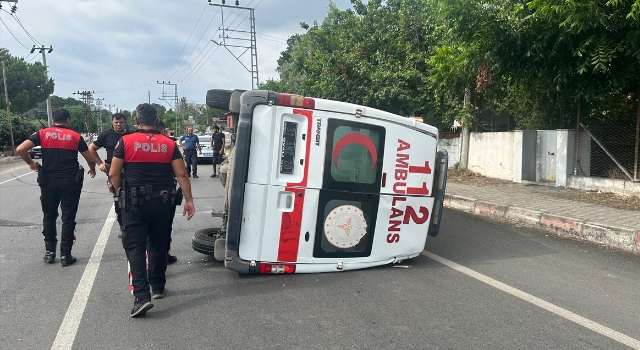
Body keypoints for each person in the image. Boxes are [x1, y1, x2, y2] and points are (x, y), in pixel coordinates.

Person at [109, 103, 195, 317]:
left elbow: (113, 173)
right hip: (162, 203)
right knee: (158, 244)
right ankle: (157, 287)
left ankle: (141, 298)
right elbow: (182, 174)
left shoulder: (125, 141)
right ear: (157, 122)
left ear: (136, 121)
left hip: (134, 203)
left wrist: (121, 192)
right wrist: (189, 200)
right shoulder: (169, 144)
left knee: (135, 247)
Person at [16, 108, 97, 266]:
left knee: (49, 215)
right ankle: (66, 255)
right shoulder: (75, 136)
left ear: (53, 120)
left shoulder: (42, 133)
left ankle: (49, 253)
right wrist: (92, 169)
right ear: (68, 120)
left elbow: (20, 149)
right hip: (70, 181)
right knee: (68, 218)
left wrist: (31, 163)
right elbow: (89, 157)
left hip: (48, 181)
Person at [87, 113, 130, 238]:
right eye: (116, 122)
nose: (118, 125)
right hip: (113, 172)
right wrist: (100, 164)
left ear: (125, 122)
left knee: (133, 198)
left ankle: (133, 225)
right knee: (118, 198)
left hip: (131, 171)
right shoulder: (106, 135)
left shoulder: (131, 134)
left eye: (121, 122)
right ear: (112, 123)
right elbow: (91, 148)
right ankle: (122, 226)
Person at [157, 120, 179, 264]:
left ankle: (158, 257)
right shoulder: (169, 144)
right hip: (165, 194)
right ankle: (162, 255)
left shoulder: (133, 142)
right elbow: (181, 172)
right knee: (165, 227)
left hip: (140, 196)